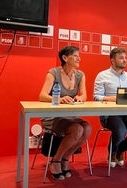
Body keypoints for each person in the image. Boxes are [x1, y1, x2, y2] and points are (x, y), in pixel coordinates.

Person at [39, 46, 92, 180]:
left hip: (70, 116)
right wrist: (59, 99)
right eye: (75, 56)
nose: (79, 58)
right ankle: (56, 161)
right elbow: (42, 96)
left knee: (87, 128)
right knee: (77, 129)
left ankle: (65, 158)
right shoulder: (53, 73)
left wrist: (80, 98)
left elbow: (84, 95)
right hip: (53, 116)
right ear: (64, 58)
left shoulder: (80, 75)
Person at [93, 47, 127, 168]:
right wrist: (115, 98)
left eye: (125, 58)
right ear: (112, 61)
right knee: (120, 131)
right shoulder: (102, 75)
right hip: (110, 114)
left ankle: (120, 149)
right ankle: (112, 153)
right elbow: (97, 97)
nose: (124, 60)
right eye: (121, 58)